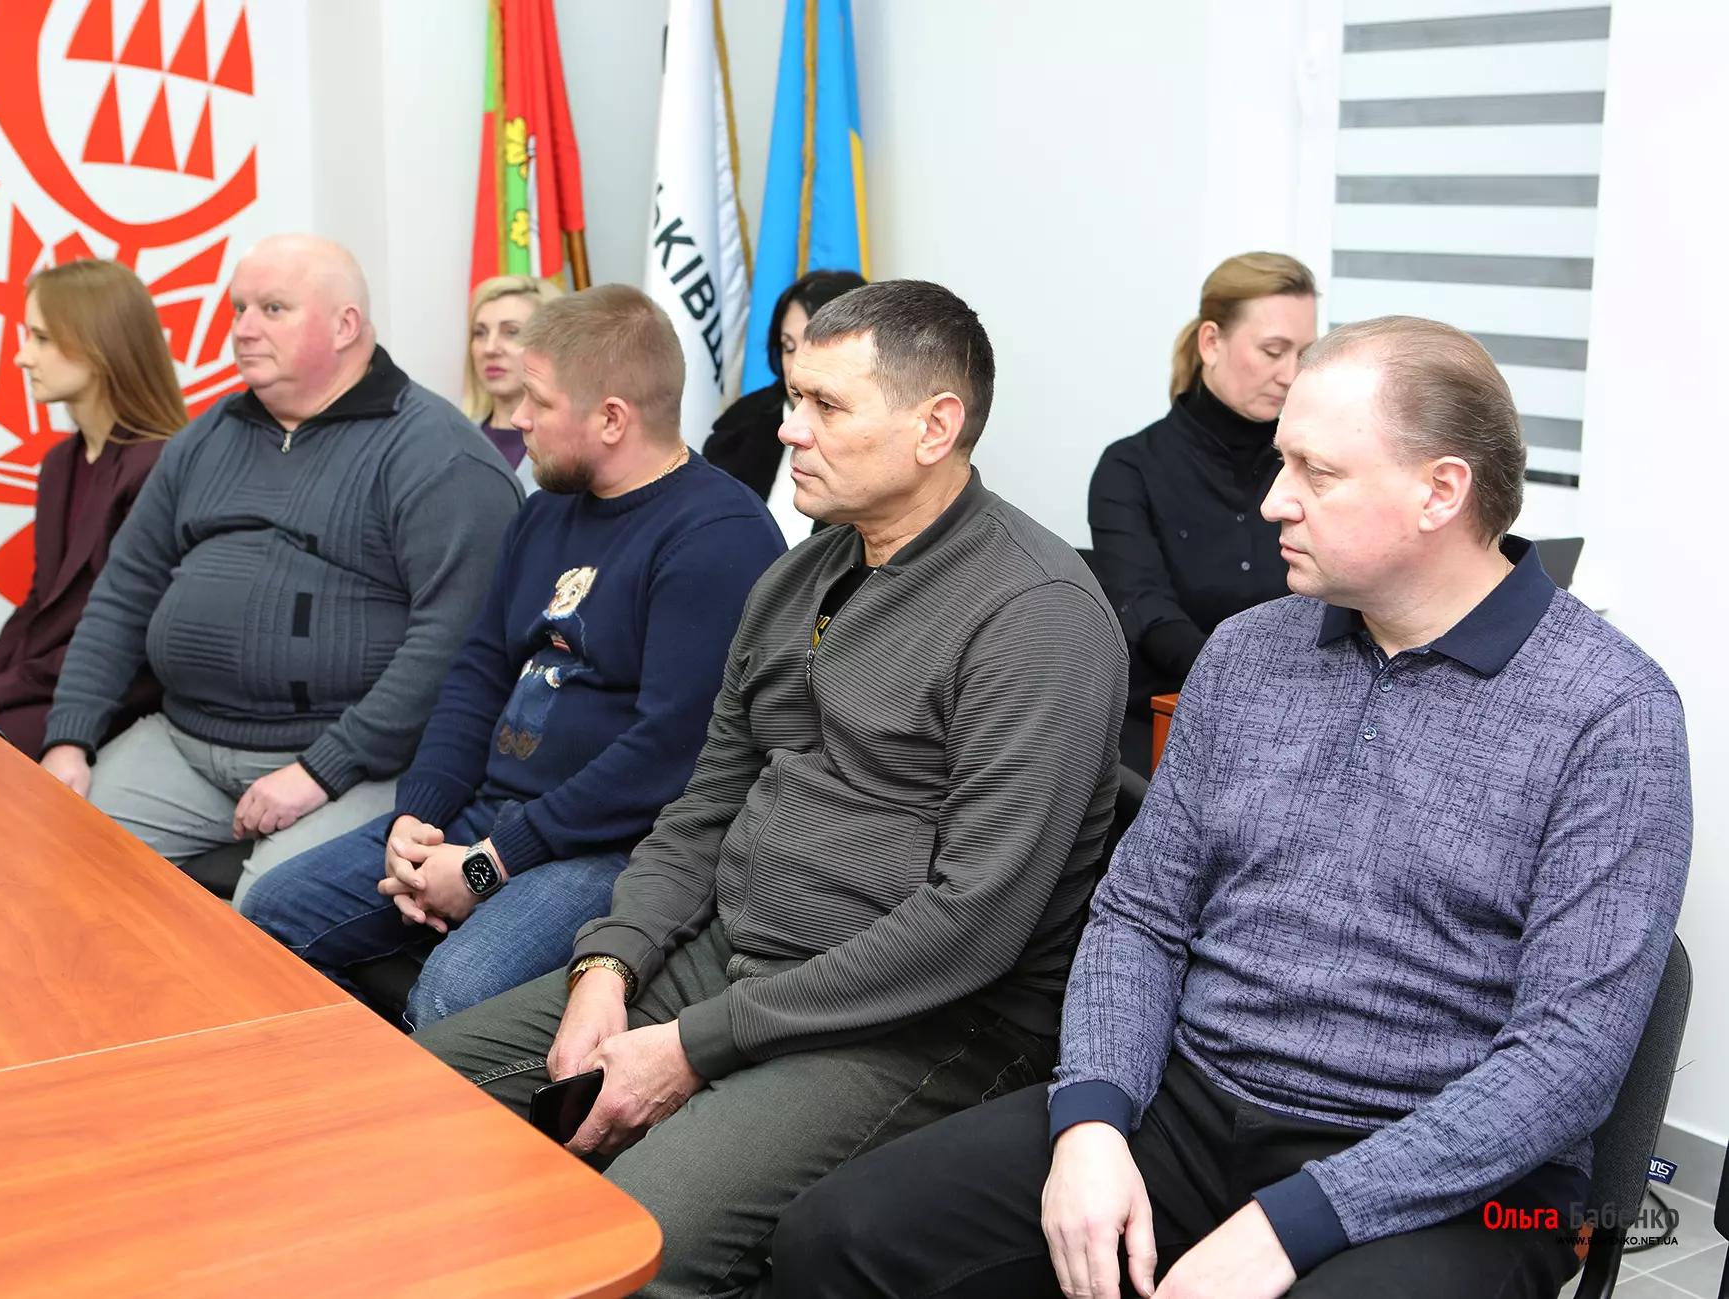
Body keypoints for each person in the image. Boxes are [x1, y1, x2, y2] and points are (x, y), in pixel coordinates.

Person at [770, 317, 1692, 1299]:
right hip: (1193, 1107)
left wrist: (1296, 1221)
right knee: (839, 1237)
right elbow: (1140, 915)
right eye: (1280, 461)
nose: (1273, 500)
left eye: (1316, 472)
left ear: (1440, 491)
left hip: (1462, 1177)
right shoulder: (1249, 653)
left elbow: (1565, 1063)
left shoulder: (1611, 713)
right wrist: (1092, 1120)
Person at [413, 280, 1128, 1298]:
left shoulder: (1036, 614)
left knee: (634, 1241)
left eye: (827, 406)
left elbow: (970, 924)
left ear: (935, 427)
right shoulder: (800, 575)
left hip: (912, 1019)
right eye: (795, 397)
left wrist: (694, 1046)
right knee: (416, 1102)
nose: (790, 430)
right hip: (731, 960)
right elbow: (704, 808)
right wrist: (607, 965)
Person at [241, 285, 786, 1028]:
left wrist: (487, 863)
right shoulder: (546, 508)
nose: (518, 417)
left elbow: (666, 756)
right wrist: (417, 817)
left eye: (539, 400)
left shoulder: (718, 537)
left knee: (452, 993)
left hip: (611, 845)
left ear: (612, 418)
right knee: (271, 911)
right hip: (489, 811)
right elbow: (477, 674)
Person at [40, 235, 524, 906]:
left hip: (356, 759)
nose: (243, 329)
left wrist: (321, 769)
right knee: (53, 849)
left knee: (267, 907)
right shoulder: (204, 440)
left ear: (345, 325)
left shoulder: (438, 456)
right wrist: (69, 737)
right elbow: (124, 594)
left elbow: (450, 646)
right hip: (183, 741)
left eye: (272, 309)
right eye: (238, 309)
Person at [1089, 252, 1317, 768]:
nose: (1290, 375)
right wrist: (1249, 692)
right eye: (1273, 351)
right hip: (1171, 724)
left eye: (1304, 354)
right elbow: (1149, 613)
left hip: (1299, 723)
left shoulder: (1313, 466)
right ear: (1211, 342)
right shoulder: (1130, 468)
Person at [0, 260, 181, 756]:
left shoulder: (158, 467)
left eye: (41, 339)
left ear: (98, 346)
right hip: (48, 681)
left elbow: (133, 634)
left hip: (113, 694)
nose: (22, 357)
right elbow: (43, 604)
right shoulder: (61, 463)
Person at [704, 268, 866, 545]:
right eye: (788, 347)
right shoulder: (740, 426)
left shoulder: (875, 434)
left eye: (814, 345)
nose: (797, 364)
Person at [462, 273, 562, 489]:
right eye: (480, 333)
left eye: (512, 332)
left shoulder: (573, 446)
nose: (490, 348)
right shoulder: (454, 439)